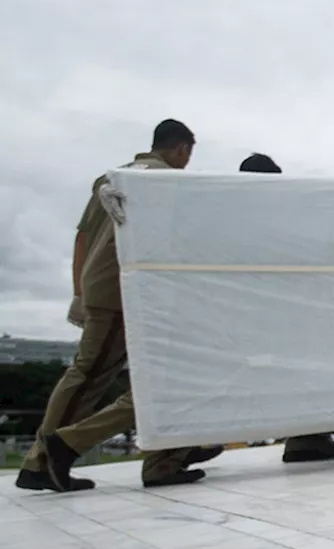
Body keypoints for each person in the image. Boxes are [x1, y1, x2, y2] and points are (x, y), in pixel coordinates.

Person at [23, 121, 223, 492]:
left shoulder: (112, 177)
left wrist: (79, 291)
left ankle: (165, 457)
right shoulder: (164, 182)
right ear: (181, 149)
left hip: (101, 288)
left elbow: (82, 237)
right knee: (91, 378)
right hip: (127, 292)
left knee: (108, 376)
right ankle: (43, 458)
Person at [238, 152, 334, 463]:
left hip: (272, 311)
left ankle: (308, 437)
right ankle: (306, 437)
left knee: (302, 371)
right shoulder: (266, 215)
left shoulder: (240, 213)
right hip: (283, 311)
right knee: (305, 369)